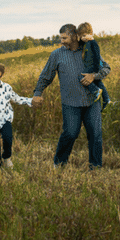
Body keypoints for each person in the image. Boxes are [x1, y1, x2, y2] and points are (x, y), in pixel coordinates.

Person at [32, 23, 111, 169]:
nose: (61, 41)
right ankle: (59, 164)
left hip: (91, 101)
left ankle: (95, 167)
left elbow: (106, 68)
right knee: (70, 133)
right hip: (70, 102)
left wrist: (94, 76)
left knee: (95, 134)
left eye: (64, 38)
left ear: (75, 36)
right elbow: (46, 76)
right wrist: (37, 93)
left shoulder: (89, 49)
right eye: (60, 38)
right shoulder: (57, 54)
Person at [76, 22, 113, 111]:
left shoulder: (91, 49)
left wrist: (94, 76)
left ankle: (106, 100)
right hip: (79, 101)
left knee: (99, 83)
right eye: (81, 36)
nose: (83, 38)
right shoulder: (77, 50)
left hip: (92, 98)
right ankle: (106, 100)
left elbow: (106, 68)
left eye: (84, 36)